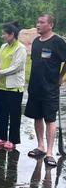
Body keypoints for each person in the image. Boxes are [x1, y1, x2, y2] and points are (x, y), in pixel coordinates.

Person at [25, 14, 66, 167]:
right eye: (37, 21)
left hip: (50, 88)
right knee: (37, 116)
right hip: (35, 87)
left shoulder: (58, 42)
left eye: (41, 22)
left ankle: (49, 152)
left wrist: (61, 77)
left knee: (50, 119)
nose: (38, 24)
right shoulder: (36, 42)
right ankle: (40, 146)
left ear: (51, 25)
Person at [0, 23, 27, 151]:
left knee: (14, 115)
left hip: (14, 87)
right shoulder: (3, 46)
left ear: (12, 34)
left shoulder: (20, 48)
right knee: (1, 113)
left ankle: (12, 139)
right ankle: (1, 137)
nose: (2, 36)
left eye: (4, 34)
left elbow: (16, 67)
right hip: (1, 86)